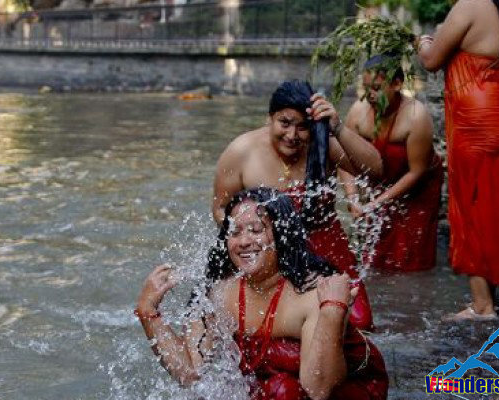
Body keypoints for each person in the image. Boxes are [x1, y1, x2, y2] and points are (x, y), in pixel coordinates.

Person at [136, 188, 389, 400]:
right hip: (274, 390)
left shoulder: (314, 292)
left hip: (348, 391)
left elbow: (319, 388)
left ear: (282, 235)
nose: (244, 241)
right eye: (235, 232)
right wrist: (149, 313)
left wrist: (333, 309)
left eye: (256, 230)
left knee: (283, 390)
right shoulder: (217, 293)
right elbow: (192, 374)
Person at [212, 80, 383, 331]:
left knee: (358, 324)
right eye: (284, 123)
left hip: (327, 245)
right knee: (277, 326)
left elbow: (375, 172)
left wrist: (338, 128)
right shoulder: (241, 152)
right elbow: (220, 209)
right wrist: (253, 238)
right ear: (270, 118)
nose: (292, 136)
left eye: (302, 127)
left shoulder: (322, 143)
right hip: (272, 257)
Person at [417, 0, 499, 320]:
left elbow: (431, 61)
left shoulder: (471, 5)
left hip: (483, 123)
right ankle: (490, 296)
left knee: (471, 207)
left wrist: (423, 42)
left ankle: (482, 306)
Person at [339, 55, 443, 272]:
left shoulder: (416, 116)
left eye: (377, 88)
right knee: (373, 256)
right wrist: (352, 198)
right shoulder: (358, 111)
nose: (370, 95)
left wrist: (375, 204)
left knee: (410, 259)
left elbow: (417, 172)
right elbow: (343, 159)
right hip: (380, 182)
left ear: (397, 84)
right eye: (366, 88)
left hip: (417, 190)